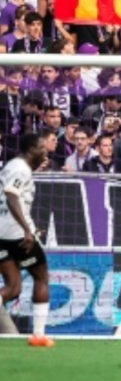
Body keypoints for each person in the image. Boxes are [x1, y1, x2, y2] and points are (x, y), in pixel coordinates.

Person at [0, 133, 54, 346]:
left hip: (1, 233)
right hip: (16, 234)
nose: (46, 151)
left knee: (14, 288)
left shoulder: (11, 165)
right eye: (42, 147)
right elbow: (12, 195)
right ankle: (38, 336)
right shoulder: (21, 169)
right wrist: (26, 229)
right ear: (31, 149)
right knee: (41, 277)